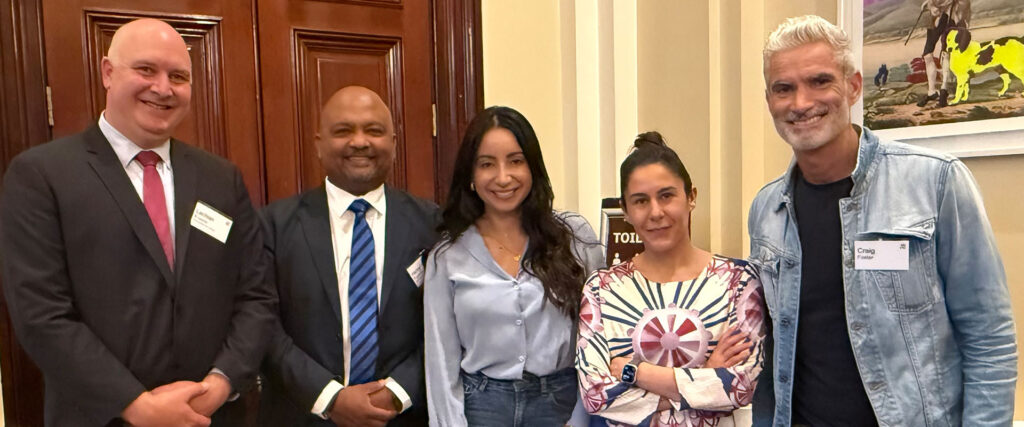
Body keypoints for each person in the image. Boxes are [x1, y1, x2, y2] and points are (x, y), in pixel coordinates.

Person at [0, 18, 274, 426]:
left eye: (178, 76)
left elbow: (256, 295)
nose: (162, 88)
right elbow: (41, 314)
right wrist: (139, 407)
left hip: (212, 415)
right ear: (108, 73)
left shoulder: (221, 178)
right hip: (101, 417)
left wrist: (219, 384)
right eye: (146, 69)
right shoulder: (41, 175)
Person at [750, 15, 1016, 426]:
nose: (801, 103)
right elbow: (774, 353)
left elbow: (989, 340)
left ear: (854, 87)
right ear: (769, 99)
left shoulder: (937, 181)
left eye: (820, 81)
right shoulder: (767, 209)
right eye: (784, 88)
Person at [259, 86, 438, 427]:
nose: (359, 141)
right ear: (318, 144)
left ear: (394, 143)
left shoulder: (433, 225)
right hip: (301, 415)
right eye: (343, 131)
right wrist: (330, 398)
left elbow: (447, 326)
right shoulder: (272, 226)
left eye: (374, 130)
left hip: (403, 417)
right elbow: (262, 326)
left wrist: (397, 392)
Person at [424, 106, 605, 427]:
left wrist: (581, 418)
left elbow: (599, 338)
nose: (503, 177)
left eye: (516, 161)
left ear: (533, 167)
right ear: (470, 174)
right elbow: (440, 365)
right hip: (481, 407)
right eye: (487, 164)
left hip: (561, 402)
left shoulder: (575, 237)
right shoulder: (447, 257)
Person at [575, 132, 765, 427]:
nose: (656, 212)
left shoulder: (737, 283)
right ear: (625, 211)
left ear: (691, 197)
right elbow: (595, 395)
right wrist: (706, 374)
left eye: (667, 196)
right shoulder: (601, 289)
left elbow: (743, 384)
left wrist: (637, 374)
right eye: (640, 201)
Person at [916, 0, 971, 107]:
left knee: (947, 53)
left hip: (952, 15)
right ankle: (931, 92)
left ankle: (944, 89)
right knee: (927, 54)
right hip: (936, 16)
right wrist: (930, 5)